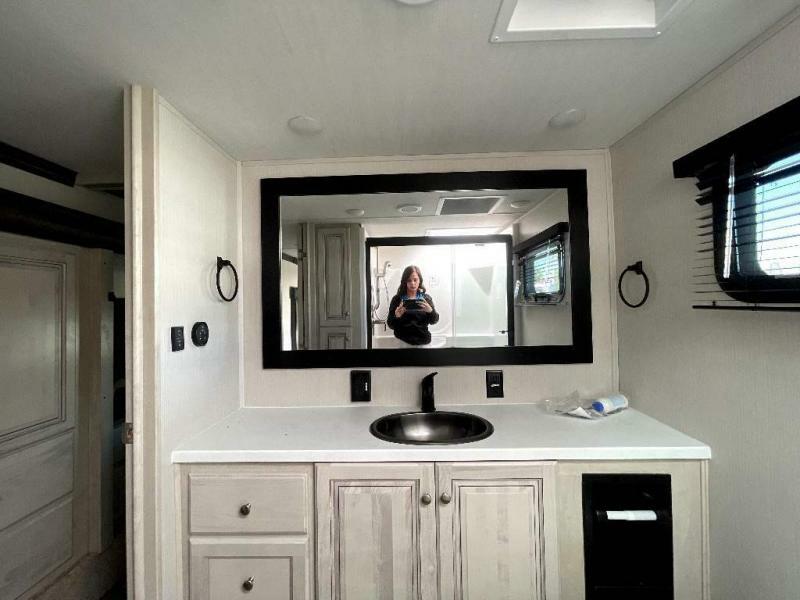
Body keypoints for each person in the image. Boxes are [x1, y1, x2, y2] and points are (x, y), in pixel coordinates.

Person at [386, 265, 439, 346]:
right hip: (402, 342)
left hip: (423, 342)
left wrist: (430, 311)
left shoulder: (426, 299)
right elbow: (390, 324)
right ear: (405, 281)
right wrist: (396, 316)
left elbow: (434, 321)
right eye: (409, 280)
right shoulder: (397, 299)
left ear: (419, 280)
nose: (412, 283)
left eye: (415, 280)